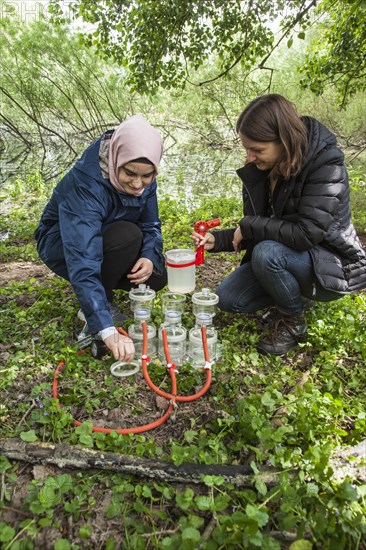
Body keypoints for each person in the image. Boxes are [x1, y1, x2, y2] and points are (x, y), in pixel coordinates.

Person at [192, 94, 366, 356]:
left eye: (257, 150)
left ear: (284, 139)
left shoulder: (326, 163)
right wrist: (220, 240)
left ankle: (293, 321)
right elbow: (268, 226)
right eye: (246, 148)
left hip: (330, 265)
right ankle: (294, 294)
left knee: (267, 254)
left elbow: (307, 233)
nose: (249, 157)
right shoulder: (263, 166)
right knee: (229, 298)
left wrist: (248, 226)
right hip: (289, 254)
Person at [35, 115, 167, 361]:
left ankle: (105, 282)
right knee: (127, 236)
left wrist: (148, 257)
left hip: (110, 237)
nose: (139, 184)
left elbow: (151, 224)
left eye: (147, 176)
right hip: (61, 242)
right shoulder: (85, 185)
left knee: (157, 276)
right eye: (130, 173)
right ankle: (95, 310)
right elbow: (83, 257)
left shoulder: (145, 177)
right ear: (116, 158)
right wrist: (105, 329)